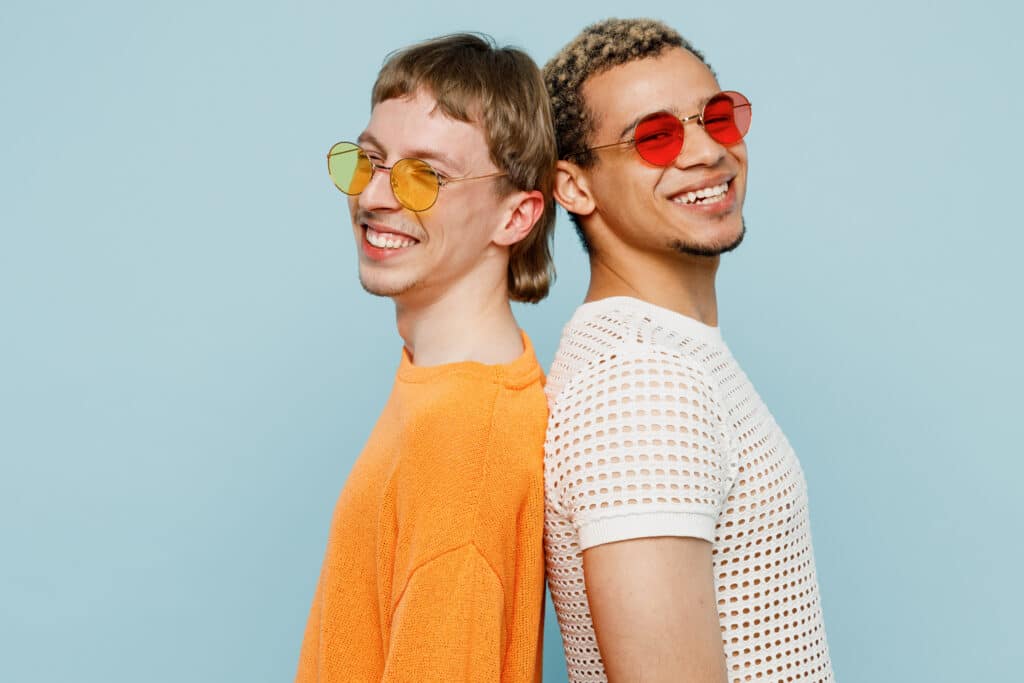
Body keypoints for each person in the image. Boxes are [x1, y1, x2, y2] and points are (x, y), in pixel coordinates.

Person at [541, 18, 833, 682]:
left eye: (717, 117)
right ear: (574, 185)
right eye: (655, 135)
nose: (706, 152)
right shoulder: (639, 385)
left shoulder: (667, 356)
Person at [296, 33, 555, 682]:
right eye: (371, 160)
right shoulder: (441, 386)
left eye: (426, 176)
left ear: (516, 216)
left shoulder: (461, 442)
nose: (376, 197)